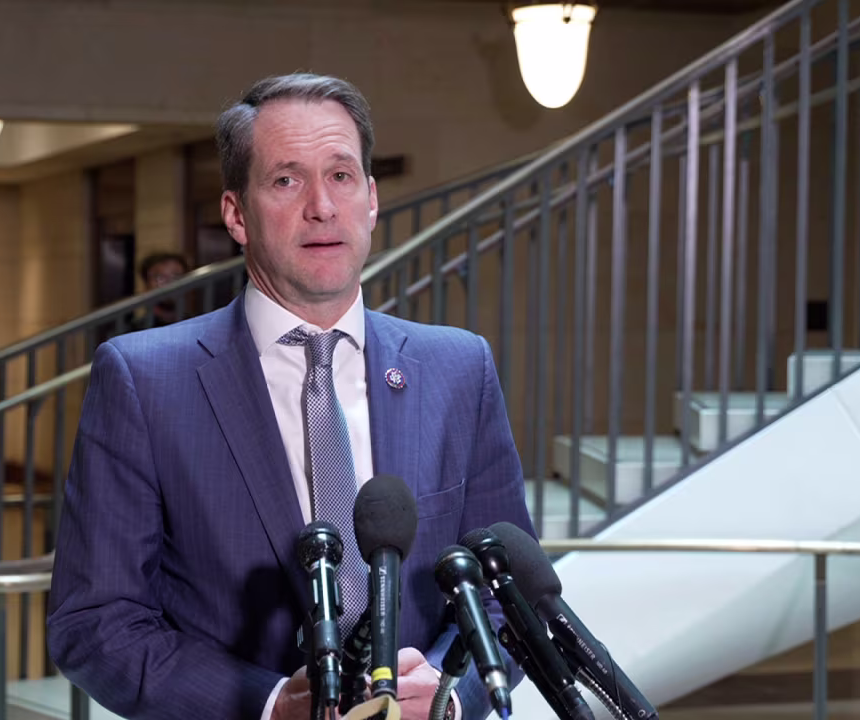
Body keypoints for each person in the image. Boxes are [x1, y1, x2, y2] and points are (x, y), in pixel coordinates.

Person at [47, 72, 536, 720]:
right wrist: (272, 704)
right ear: (236, 215)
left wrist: (451, 695)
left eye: (341, 176)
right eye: (286, 180)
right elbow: (96, 623)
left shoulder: (457, 368)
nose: (322, 207)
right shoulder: (144, 381)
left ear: (371, 200)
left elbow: (510, 598)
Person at [132, 251, 190, 331]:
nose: (169, 283)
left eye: (176, 277)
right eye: (160, 278)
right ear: (147, 285)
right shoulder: (132, 331)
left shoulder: (197, 326)